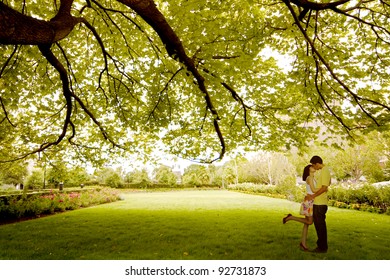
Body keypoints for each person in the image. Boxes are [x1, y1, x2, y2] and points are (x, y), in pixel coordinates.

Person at [283, 164, 317, 251]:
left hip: (310, 201)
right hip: (309, 202)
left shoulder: (313, 178)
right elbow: (314, 190)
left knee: (306, 223)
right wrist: (324, 188)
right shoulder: (309, 178)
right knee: (309, 222)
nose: (314, 167)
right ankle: (291, 217)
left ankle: (303, 244)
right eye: (312, 166)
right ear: (308, 169)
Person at [306, 155, 331, 253]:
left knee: (320, 227)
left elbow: (324, 187)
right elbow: (328, 183)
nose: (314, 167)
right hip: (319, 203)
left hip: (320, 204)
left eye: (313, 165)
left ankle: (322, 248)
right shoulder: (325, 170)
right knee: (319, 226)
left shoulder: (324, 170)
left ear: (317, 164)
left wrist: (313, 195)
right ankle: (321, 246)